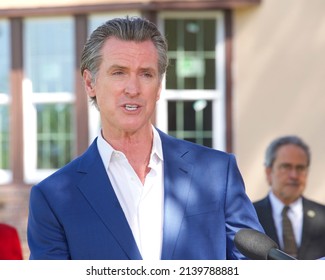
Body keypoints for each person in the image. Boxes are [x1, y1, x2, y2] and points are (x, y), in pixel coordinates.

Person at [27, 16, 263, 260]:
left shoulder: (217, 174)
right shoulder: (53, 198)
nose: (133, 88)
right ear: (90, 83)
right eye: (119, 72)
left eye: (146, 74)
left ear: (159, 86)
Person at [254, 135, 325, 260]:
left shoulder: (322, 216)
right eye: (286, 167)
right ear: (269, 172)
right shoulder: (250, 216)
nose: (294, 175)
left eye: (300, 168)